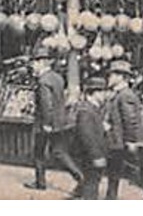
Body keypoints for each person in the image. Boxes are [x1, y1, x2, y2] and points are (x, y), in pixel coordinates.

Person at [25, 49, 81, 192]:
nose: (33, 65)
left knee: (39, 152)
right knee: (59, 152)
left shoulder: (43, 81)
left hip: (45, 124)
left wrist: (46, 123)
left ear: (42, 62)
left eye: (35, 62)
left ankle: (40, 183)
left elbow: (46, 104)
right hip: (60, 122)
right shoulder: (57, 77)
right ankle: (80, 177)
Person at [102, 59, 143, 200]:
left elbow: (131, 120)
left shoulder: (125, 95)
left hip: (123, 141)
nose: (109, 78)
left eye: (112, 75)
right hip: (117, 140)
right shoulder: (119, 94)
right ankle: (110, 197)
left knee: (131, 171)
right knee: (114, 171)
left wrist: (131, 141)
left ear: (121, 77)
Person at [70, 73, 111, 199]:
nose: (105, 95)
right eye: (103, 91)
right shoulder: (86, 111)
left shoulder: (93, 109)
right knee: (91, 188)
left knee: (92, 185)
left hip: (92, 157)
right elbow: (87, 136)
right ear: (94, 93)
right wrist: (96, 156)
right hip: (90, 158)